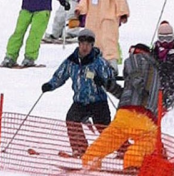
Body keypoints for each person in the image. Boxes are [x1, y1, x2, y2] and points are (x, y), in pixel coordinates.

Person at [81, 43, 161, 172]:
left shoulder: (137, 59)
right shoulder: (158, 73)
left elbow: (133, 70)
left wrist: (139, 85)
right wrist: (104, 82)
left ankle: (90, 159)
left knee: (109, 139)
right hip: (146, 119)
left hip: (126, 114)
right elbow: (125, 93)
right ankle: (133, 163)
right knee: (147, 141)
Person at [41, 27, 117, 156]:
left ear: (92, 45)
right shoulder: (71, 61)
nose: (85, 47)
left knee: (104, 128)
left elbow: (110, 77)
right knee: (72, 120)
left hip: (98, 101)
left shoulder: (99, 62)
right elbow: (60, 75)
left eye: (88, 44)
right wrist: (50, 85)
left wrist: (102, 80)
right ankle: (80, 149)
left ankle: (124, 150)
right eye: (82, 44)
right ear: (79, 44)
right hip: (80, 101)